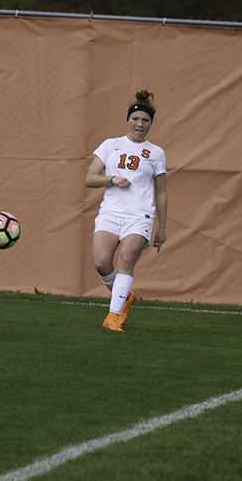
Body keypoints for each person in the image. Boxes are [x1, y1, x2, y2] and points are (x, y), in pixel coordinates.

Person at [85, 89, 168, 331]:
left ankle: (113, 317)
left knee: (126, 259)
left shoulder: (156, 153)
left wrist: (162, 227)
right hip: (111, 212)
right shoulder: (111, 145)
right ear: (128, 120)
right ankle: (124, 296)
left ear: (151, 124)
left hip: (139, 215)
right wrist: (112, 179)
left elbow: (161, 191)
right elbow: (90, 178)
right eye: (136, 119)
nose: (140, 124)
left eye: (145, 120)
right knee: (101, 262)